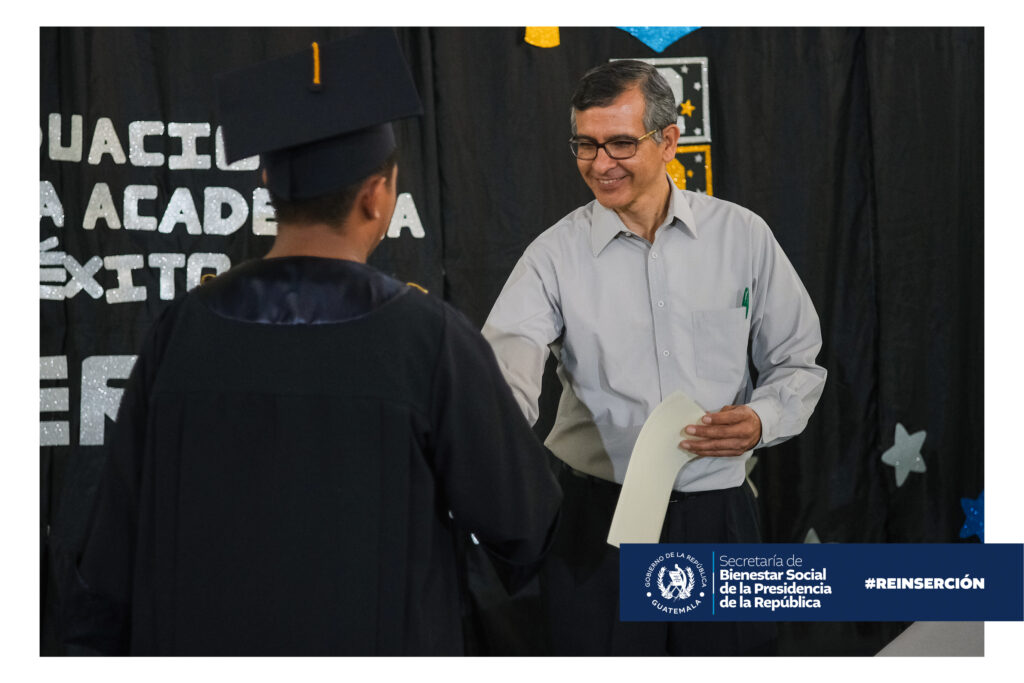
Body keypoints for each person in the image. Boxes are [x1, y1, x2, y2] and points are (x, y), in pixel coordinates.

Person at [61, 29, 561, 656]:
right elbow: (525, 527)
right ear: (378, 197)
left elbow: (112, 556)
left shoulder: (179, 332)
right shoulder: (428, 339)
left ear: (268, 180)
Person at [482, 59, 826, 655]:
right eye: (585, 145)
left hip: (720, 518)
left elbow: (798, 361)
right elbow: (503, 378)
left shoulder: (742, 236)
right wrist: (488, 445)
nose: (600, 164)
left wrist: (763, 420)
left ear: (669, 141)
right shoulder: (551, 257)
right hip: (596, 525)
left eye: (620, 143)